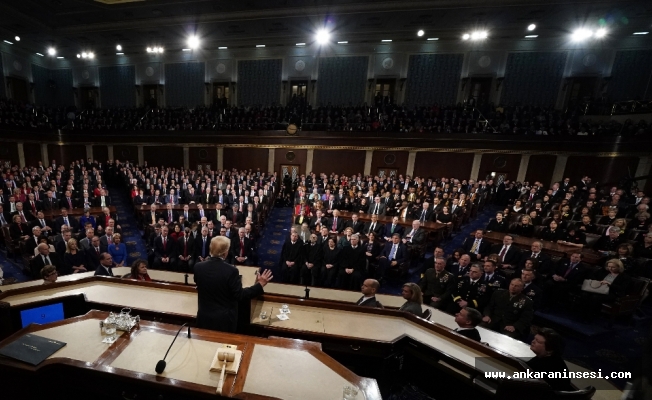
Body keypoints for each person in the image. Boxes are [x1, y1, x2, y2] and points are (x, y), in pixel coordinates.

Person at [194, 236, 273, 333]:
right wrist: (259, 285)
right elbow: (240, 295)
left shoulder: (198, 267)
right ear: (225, 252)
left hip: (203, 318)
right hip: (223, 322)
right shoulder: (231, 271)